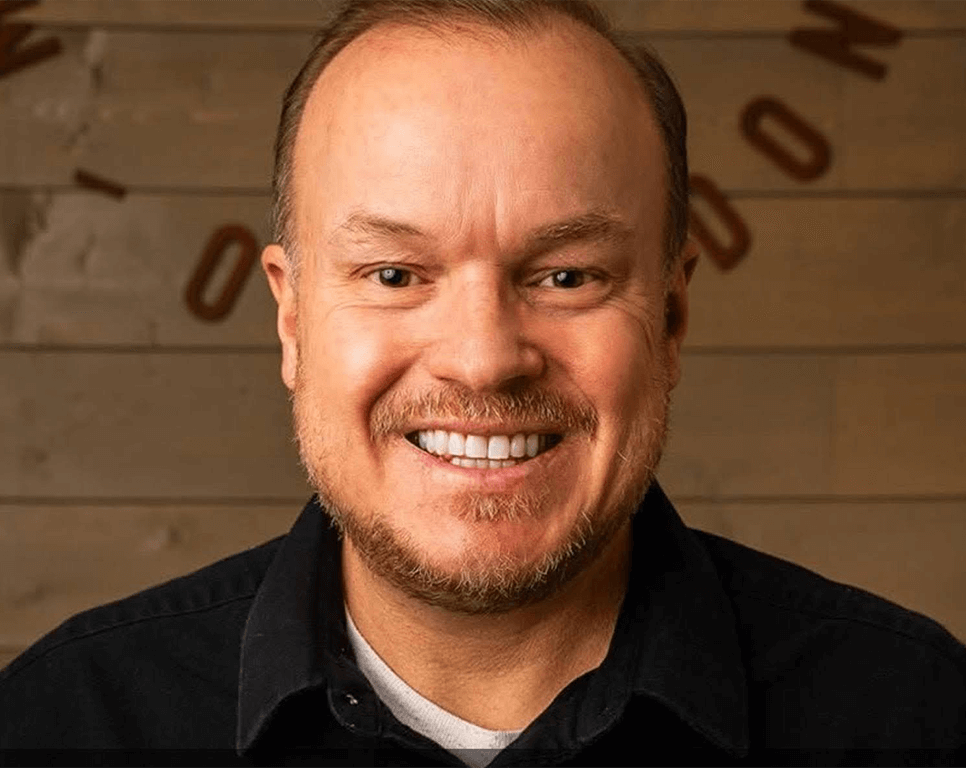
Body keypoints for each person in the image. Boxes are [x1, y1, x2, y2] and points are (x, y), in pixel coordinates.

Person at [1, 1, 964, 765]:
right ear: (292, 320)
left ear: (671, 319)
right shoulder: (60, 722)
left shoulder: (916, 717)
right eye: (394, 275)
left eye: (567, 277)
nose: (483, 357)